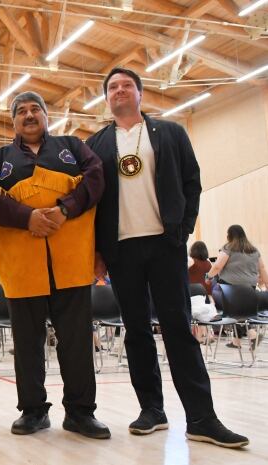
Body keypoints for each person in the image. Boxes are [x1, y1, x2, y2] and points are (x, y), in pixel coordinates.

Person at [86, 67, 248, 448]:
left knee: (178, 328)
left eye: (127, 85)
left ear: (141, 94)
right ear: (106, 99)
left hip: (165, 244)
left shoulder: (170, 133)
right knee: (137, 331)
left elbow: (192, 181)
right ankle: (152, 411)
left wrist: (183, 230)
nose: (120, 90)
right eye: (112, 87)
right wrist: (97, 252)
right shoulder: (95, 144)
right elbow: (91, 201)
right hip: (121, 248)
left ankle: (202, 417)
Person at [0, 91, 109, 439]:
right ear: (13, 121)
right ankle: (33, 411)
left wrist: (65, 208)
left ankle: (81, 413)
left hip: (71, 262)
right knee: (27, 342)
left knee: (77, 341)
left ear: (47, 116)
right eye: (21, 111)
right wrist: (27, 217)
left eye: (35, 109)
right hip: (22, 265)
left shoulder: (74, 148)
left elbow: (96, 178)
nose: (29, 115)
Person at [207, 225, 268, 349]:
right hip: (250, 288)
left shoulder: (228, 248)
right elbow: (262, 268)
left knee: (231, 309)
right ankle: (236, 341)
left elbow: (218, 266)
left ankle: (252, 334)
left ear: (230, 235)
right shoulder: (254, 250)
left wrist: (208, 276)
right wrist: (267, 284)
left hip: (230, 287)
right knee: (241, 310)